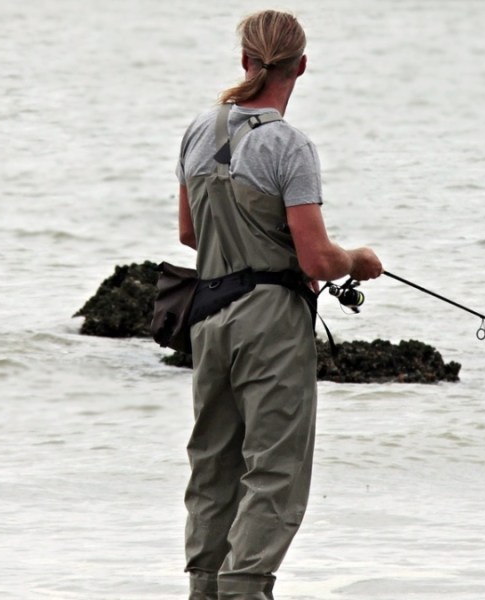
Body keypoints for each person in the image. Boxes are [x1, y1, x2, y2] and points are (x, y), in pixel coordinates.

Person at [175, 10, 383, 600]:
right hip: (270, 322)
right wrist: (359, 260)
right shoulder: (289, 145)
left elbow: (190, 234)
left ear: (245, 60)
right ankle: (246, 588)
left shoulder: (198, 130)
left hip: (209, 316)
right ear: (302, 66)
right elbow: (318, 260)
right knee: (274, 469)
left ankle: (205, 588)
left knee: (213, 465)